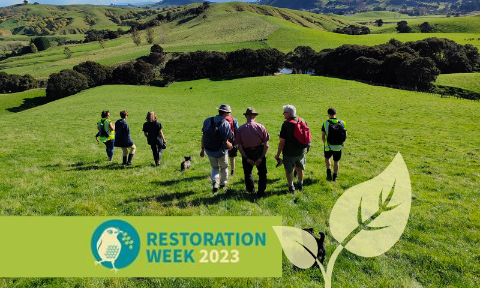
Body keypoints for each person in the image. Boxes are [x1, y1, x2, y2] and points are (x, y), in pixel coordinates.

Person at [274, 105, 311, 193]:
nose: (283, 114)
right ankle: (300, 184)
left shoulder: (286, 124)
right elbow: (308, 134)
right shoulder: (302, 120)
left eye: (284, 112)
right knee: (299, 168)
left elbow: (282, 142)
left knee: (289, 171)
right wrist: (308, 146)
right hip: (301, 151)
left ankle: (291, 187)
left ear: (289, 114)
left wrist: (278, 154)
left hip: (289, 153)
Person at [236, 107, 270, 198]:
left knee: (247, 173)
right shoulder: (261, 127)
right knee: (262, 173)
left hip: (246, 151)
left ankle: (250, 190)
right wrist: (261, 157)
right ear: (255, 116)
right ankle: (261, 192)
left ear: (246, 116)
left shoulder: (240, 129)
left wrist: (247, 158)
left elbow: (239, 147)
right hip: (259, 151)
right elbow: (266, 145)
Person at [200, 104, 233, 194]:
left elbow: (204, 136)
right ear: (226, 113)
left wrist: (202, 149)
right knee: (224, 167)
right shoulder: (225, 124)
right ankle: (222, 185)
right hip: (221, 151)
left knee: (214, 167)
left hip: (209, 151)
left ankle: (215, 184)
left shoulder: (207, 121)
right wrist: (231, 145)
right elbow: (226, 142)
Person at [322, 107, 347, 181]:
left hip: (328, 146)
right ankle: (335, 177)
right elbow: (345, 135)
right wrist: (341, 142)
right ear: (336, 113)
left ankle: (328, 174)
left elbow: (323, 136)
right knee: (336, 161)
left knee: (327, 158)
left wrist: (325, 143)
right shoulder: (342, 123)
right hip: (338, 146)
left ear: (328, 114)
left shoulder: (325, 123)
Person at [224, 112, 239, 176]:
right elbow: (237, 130)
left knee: (223, 156)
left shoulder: (220, 120)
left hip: (222, 141)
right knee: (232, 157)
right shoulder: (234, 120)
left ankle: (224, 170)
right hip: (232, 141)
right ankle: (232, 171)